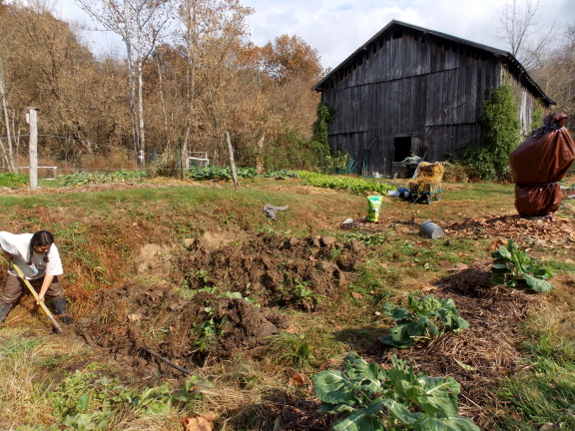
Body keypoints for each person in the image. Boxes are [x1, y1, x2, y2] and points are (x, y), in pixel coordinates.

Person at [0, 230, 72, 325]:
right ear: (34, 245)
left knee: (56, 290)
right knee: (8, 296)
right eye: (43, 249)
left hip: (42, 271)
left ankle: (62, 313)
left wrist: (41, 294)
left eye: (48, 248)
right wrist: (6, 252)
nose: (46, 250)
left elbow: (50, 273)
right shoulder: (18, 242)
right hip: (19, 269)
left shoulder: (52, 250)